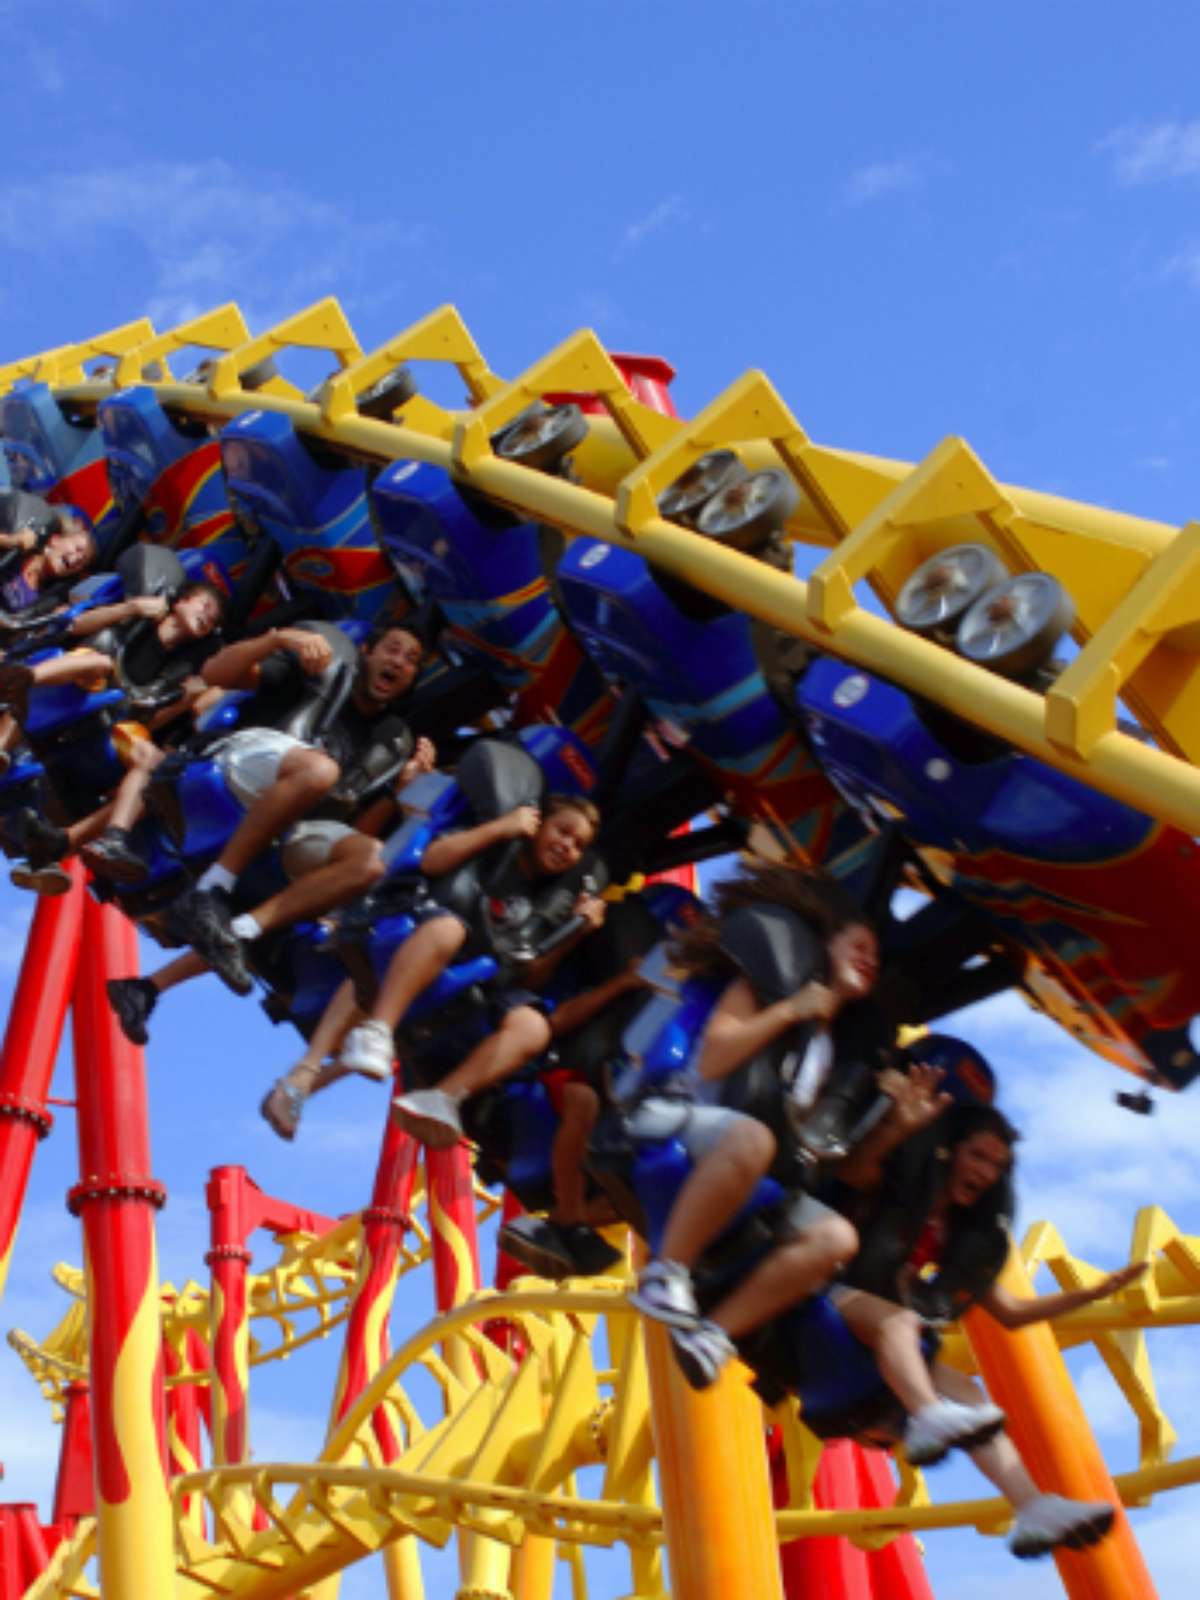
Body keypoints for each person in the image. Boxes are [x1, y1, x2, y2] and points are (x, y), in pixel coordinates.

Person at [827, 1090, 1146, 1559]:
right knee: (901, 1324)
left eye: (995, 1166)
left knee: (973, 1398)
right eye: (976, 1155)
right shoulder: (899, 1189)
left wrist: (1093, 1294)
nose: (983, 1172)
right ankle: (928, 1415)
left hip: (877, 1335)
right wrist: (898, 1124)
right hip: (823, 1298)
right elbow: (853, 1171)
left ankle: (1033, 1509)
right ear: (948, 1150)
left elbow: (1011, 1313)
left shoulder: (952, 1235)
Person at [102, 621, 436, 1033]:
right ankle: (209, 891)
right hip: (242, 765)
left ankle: (218, 943)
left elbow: (357, 826)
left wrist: (397, 793)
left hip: (291, 823)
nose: (399, 662)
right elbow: (215, 673)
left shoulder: (390, 739)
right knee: (318, 769)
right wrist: (278, 638)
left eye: (410, 661)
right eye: (393, 649)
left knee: (369, 862)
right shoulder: (320, 668)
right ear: (367, 651)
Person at [626, 864, 881, 1388]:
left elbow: (804, 1140)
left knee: (836, 1237)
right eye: (857, 944)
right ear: (822, 945)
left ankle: (714, 1335)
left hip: (741, 1156)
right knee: (751, 1138)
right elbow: (714, 1062)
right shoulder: (762, 989)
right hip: (672, 1116)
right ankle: (664, 1273)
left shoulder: (826, 1047)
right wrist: (789, 1010)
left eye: (874, 957)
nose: (867, 959)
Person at [329, 795, 607, 1138]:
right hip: (426, 929)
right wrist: (502, 827)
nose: (567, 846)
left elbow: (530, 976)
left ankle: (442, 1099)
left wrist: (574, 932)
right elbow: (431, 860)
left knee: (534, 1027)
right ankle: (377, 1031)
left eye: (578, 846)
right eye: (562, 832)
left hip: (477, 981)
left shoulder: (547, 902)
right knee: (450, 930)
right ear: (538, 823)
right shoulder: (500, 847)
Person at [0, 510, 96, 618]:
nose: (78, 559)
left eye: (83, 562)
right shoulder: (17, 550)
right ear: (55, 539)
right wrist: (11, 541)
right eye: (78, 549)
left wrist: (51, 618)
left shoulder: (40, 601)